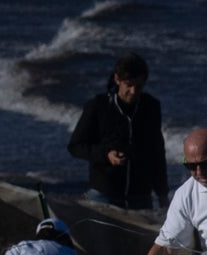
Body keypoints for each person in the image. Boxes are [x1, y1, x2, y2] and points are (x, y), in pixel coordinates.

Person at [69, 52, 168, 217]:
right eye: (128, 85)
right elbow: (75, 146)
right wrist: (106, 155)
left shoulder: (151, 106)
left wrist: (162, 194)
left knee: (140, 242)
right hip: (104, 194)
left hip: (141, 196)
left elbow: (157, 152)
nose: (133, 91)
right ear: (117, 79)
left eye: (139, 86)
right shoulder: (98, 106)